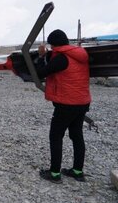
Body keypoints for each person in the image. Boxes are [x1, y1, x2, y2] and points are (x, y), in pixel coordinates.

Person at [35, 29, 91, 184]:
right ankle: (77, 171)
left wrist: (41, 56)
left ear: (55, 44)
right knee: (76, 135)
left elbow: (41, 73)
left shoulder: (61, 58)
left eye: (52, 46)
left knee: (55, 136)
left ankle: (54, 174)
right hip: (82, 101)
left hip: (66, 104)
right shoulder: (79, 54)